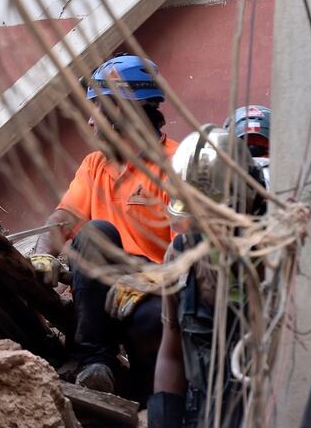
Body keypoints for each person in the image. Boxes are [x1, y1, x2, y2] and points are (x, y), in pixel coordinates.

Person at [30, 54, 178, 403]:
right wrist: (41, 257)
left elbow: (187, 255)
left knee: (152, 336)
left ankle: (143, 392)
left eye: (97, 109)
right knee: (96, 231)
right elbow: (61, 222)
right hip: (100, 300)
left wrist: (146, 280)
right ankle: (95, 364)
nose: (90, 122)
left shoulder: (175, 165)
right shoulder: (94, 164)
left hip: (153, 298)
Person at [149, 125, 263, 428]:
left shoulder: (274, 258)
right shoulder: (180, 258)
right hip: (206, 411)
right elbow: (171, 351)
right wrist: (164, 414)